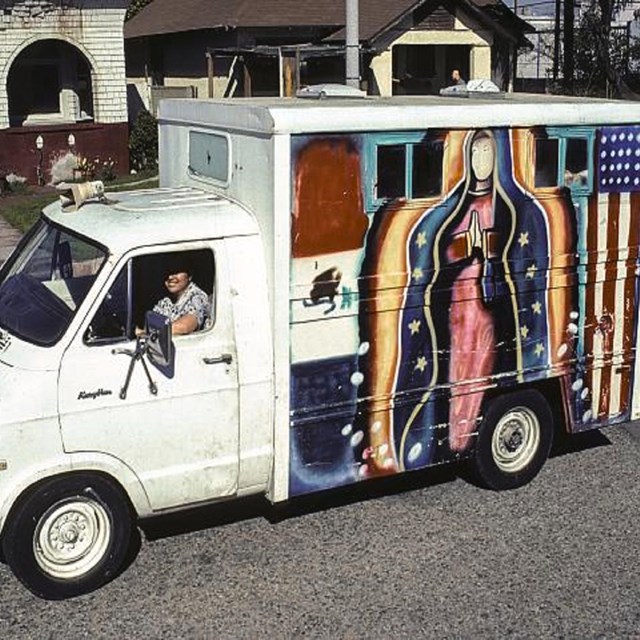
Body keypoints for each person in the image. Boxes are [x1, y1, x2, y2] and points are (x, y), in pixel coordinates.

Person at [152, 256, 210, 335]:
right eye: (167, 272)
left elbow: (184, 327)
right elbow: (150, 324)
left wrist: (154, 334)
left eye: (176, 272)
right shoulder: (165, 300)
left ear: (189, 276)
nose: (170, 277)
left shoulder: (197, 297)